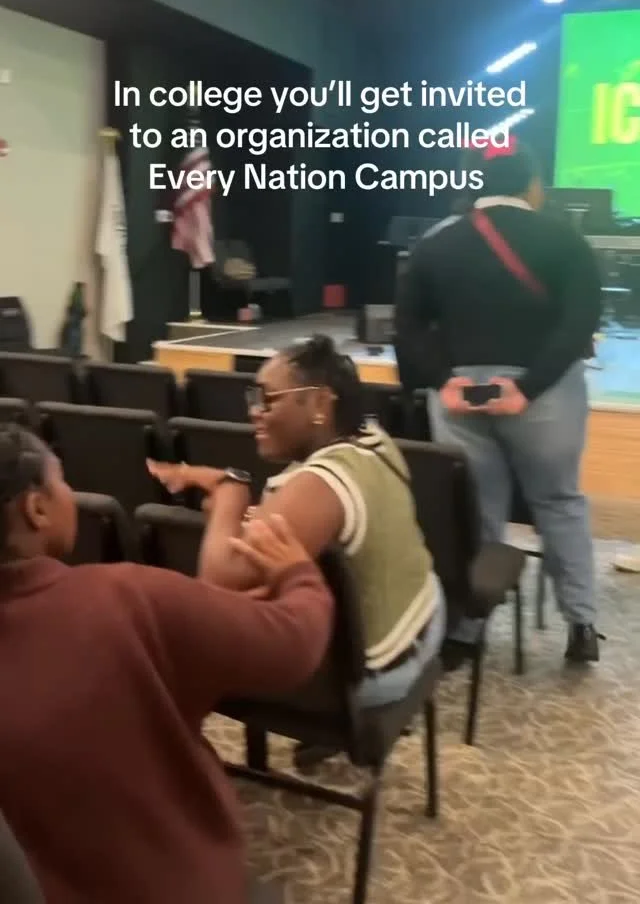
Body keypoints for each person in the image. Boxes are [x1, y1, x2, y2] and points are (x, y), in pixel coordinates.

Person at [0, 424, 333, 904]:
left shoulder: (130, 603)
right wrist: (299, 575)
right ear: (36, 509)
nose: (70, 492)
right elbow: (296, 644)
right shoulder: (127, 598)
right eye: (63, 481)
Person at [149, 334, 445, 710]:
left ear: (320, 402)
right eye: (253, 398)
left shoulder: (323, 482)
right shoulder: (370, 436)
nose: (254, 411)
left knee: (201, 640)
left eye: (268, 399)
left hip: (378, 669)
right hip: (426, 607)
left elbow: (218, 582)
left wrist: (230, 490)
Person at [395, 147, 602, 665]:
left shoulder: (435, 241)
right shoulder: (564, 238)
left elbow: (408, 325)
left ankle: (468, 629)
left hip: (460, 396)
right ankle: (581, 624)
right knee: (558, 502)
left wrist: (442, 381)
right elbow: (580, 321)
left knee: (475, 510)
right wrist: (528, 386)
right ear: (532, 185)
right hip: (545, 395)